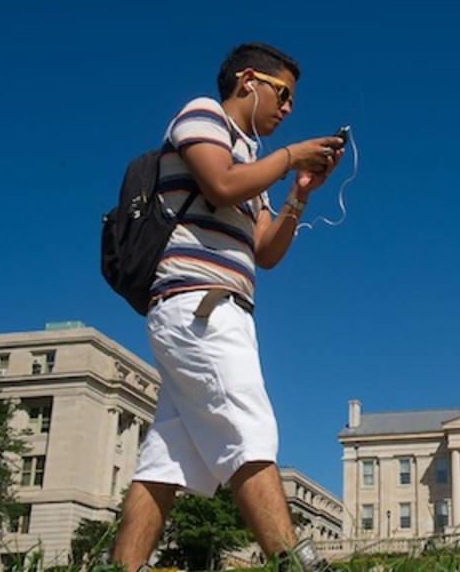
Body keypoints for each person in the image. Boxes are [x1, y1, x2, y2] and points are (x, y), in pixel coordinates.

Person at [110, 42, 345, 572]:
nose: (287, 109)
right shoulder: (203, 115)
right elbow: (218, 185)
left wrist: (299, 193)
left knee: (166, 462)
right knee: (249, 425)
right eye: (282, 95)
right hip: (199, 302)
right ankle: (293, 560)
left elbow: (265, 252)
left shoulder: (252, 160)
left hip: (217, 306)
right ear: (248, 81)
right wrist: (289, 158)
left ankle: (120, 565)